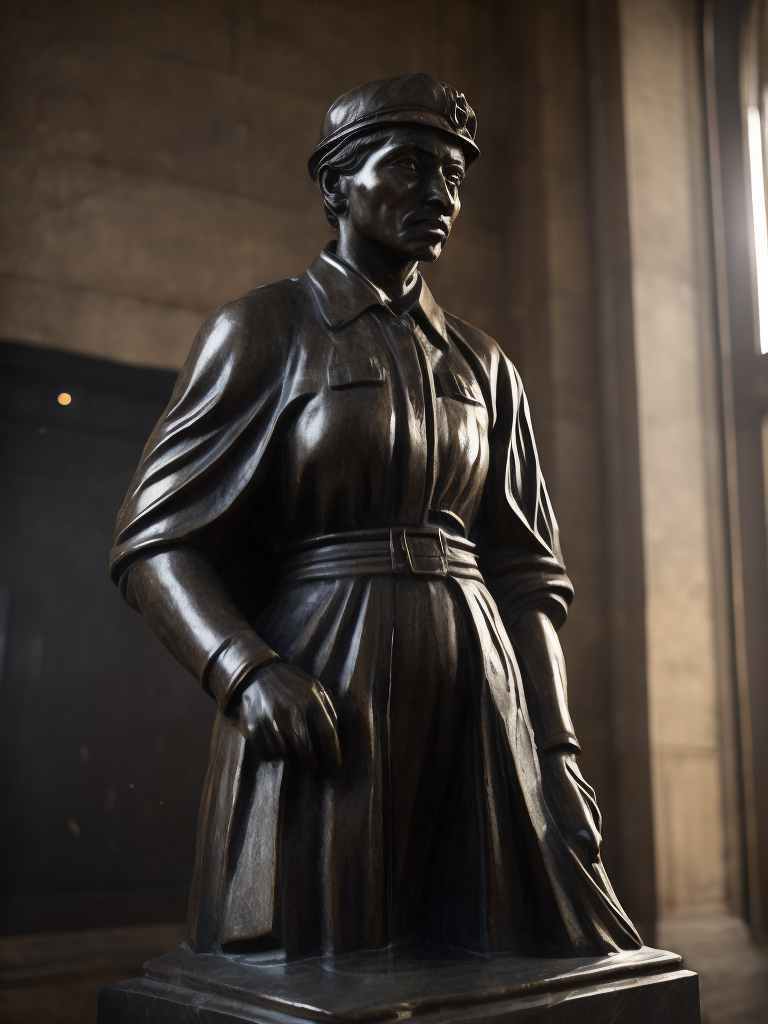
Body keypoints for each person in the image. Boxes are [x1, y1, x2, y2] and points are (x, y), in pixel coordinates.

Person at [110, 73, 642, 959]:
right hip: (331, 679)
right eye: (413, 166)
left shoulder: (484, 363)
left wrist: (556, 747)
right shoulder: (265, 330)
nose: (442, 195)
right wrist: (245, 673)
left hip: (482, 689)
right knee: (336, 960)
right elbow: (156, 540)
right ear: (336, 187)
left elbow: (525, 574)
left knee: (528, 955)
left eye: (456, 175)